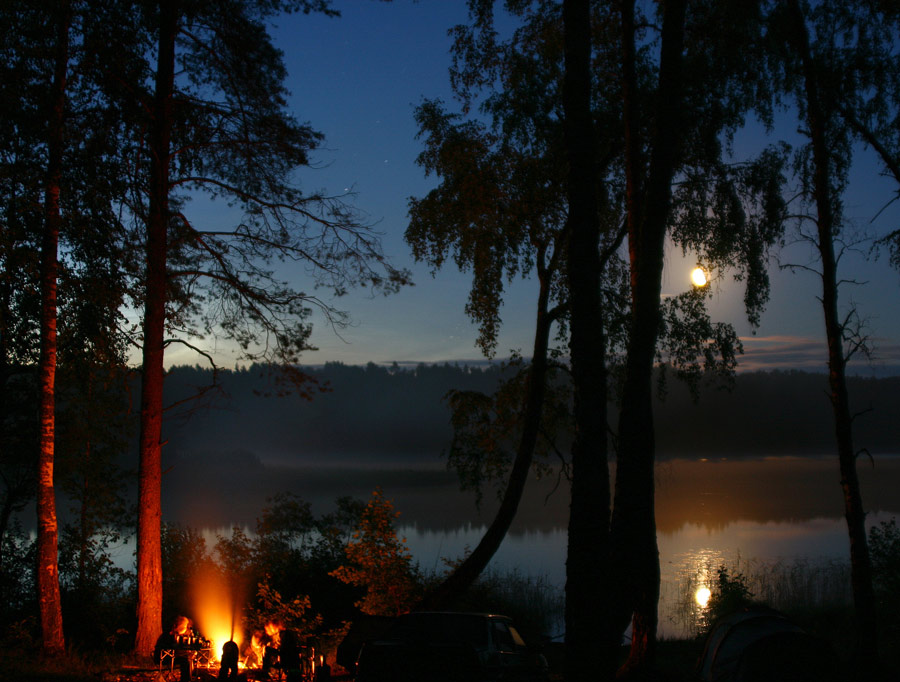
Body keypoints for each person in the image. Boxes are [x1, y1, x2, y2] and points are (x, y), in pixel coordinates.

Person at [154, 616, 194, 682]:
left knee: (188, 660)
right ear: (179, 626)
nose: (186, 629)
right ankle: (185, 680)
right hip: (163, 657)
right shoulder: (169, 634)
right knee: (186, 661)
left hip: (170, 656)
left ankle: (188, 679)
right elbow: (172, 648)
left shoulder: (177, 635)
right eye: (184, 626)